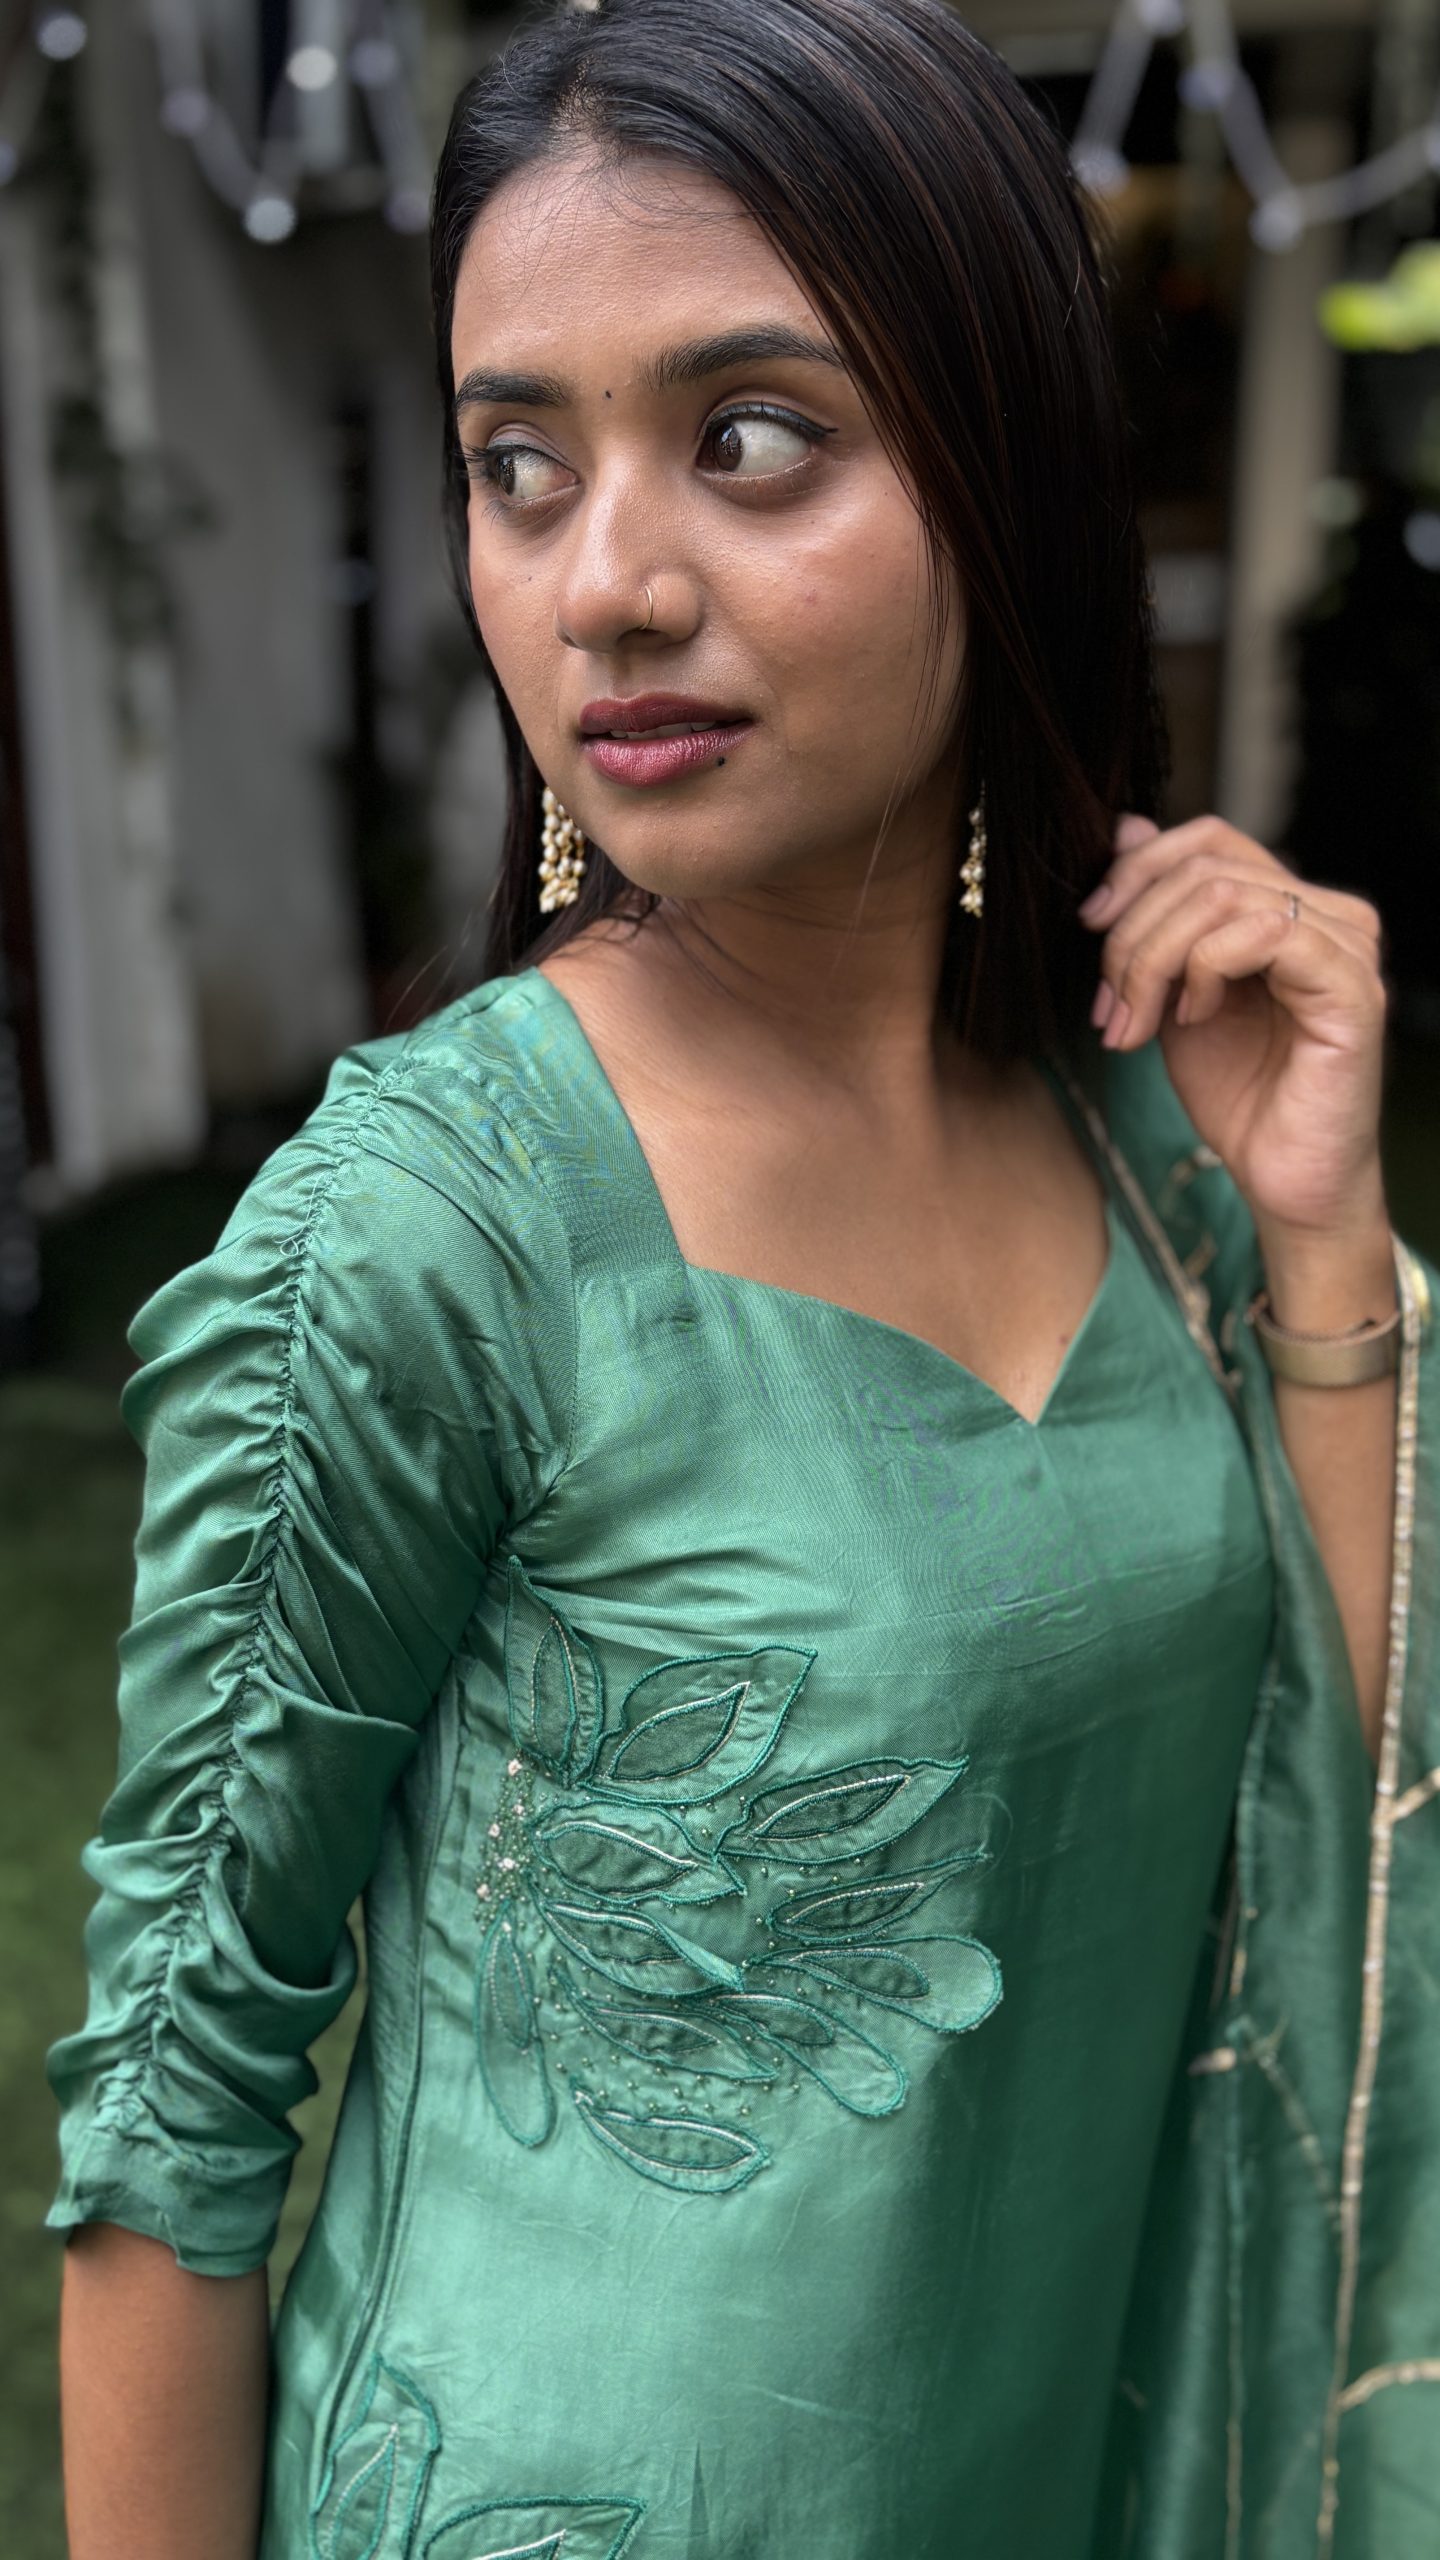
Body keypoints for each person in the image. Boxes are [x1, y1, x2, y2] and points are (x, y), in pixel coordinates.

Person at [46, 3, 1440, 2554]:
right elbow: (172, 2117)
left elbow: (1346, 1828)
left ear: (1006, 474)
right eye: (517, 466)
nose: (609, 583)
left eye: (755, 436)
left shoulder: (1135, 1132)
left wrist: (1322, 1234)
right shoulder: (434, 1227)